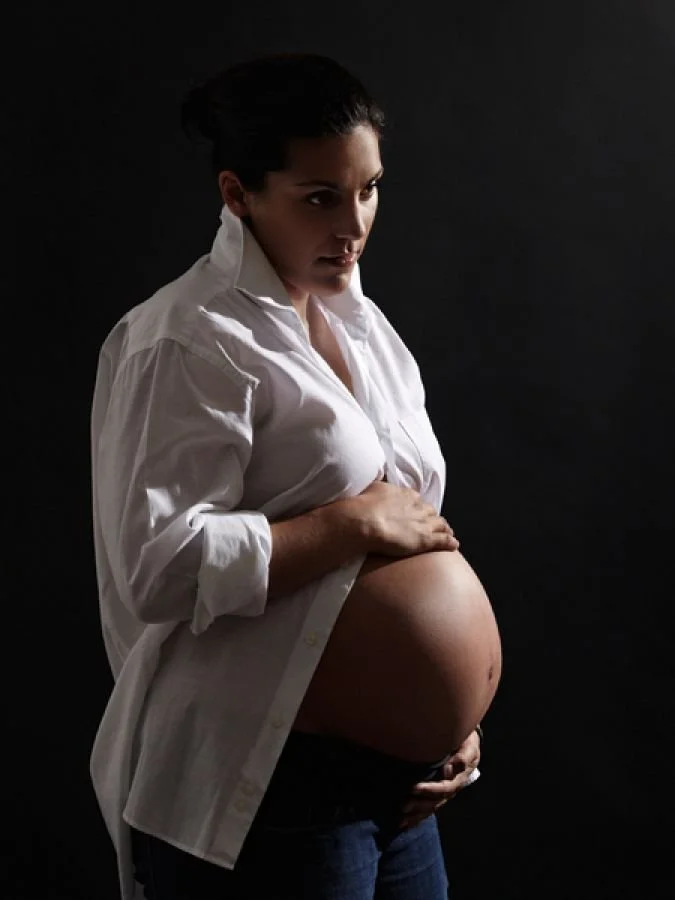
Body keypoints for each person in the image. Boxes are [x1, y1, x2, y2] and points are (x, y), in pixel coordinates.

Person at [89, 52, 502, 900]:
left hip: (400, 783)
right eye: (319, 197)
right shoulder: (187, 339)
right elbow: (155, 567)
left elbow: (417, 526)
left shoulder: (364, 328)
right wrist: (343, 527)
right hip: (272, 785)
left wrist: (453, 721)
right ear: (238, 193)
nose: (352, 225)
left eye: (369, 189)